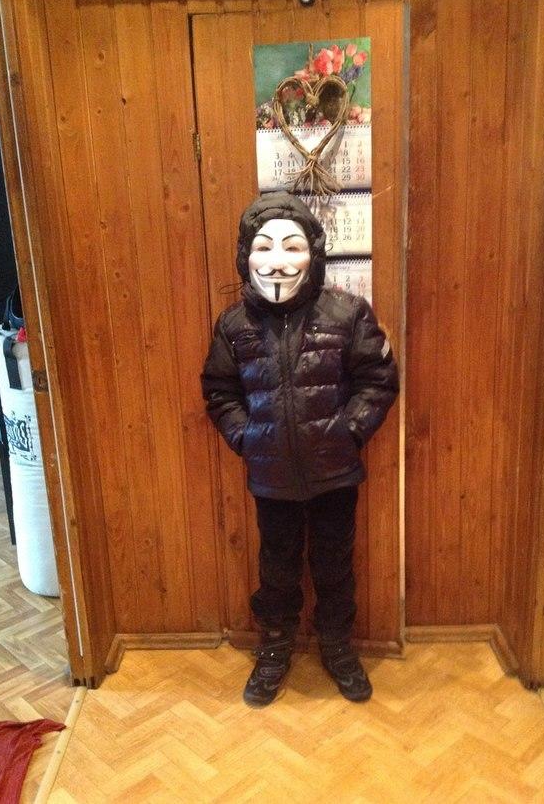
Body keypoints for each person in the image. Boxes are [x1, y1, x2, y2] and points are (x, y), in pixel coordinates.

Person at [201, 191, 399, 707]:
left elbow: (378, 380)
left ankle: (337, 647)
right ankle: (274, 649)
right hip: (270, 476)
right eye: (264, 247)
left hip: (336, 472)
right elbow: (219, 391)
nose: (278, 261)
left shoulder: (347, 313)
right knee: (277, 568)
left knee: (335, 565)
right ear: (246, 255)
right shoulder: (234, 325)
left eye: (291, 246)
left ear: (313, 252)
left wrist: (348, 432)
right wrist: (247, 438)